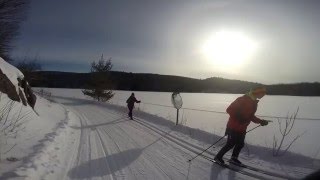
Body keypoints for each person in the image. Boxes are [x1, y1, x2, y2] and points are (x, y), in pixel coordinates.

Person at [214, 87, 269, 165]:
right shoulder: (242, 99)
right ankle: (218, 157)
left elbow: (251, 116)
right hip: (233, 127)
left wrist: (261, 121)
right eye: (262, 94)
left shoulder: (254, 103)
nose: (263, 96)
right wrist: (239, 116)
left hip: (242, 128)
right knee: (230, 144)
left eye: (264, 94)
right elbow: (229, 109)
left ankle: (234, 158)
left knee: (240, 144)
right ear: (256, 92)